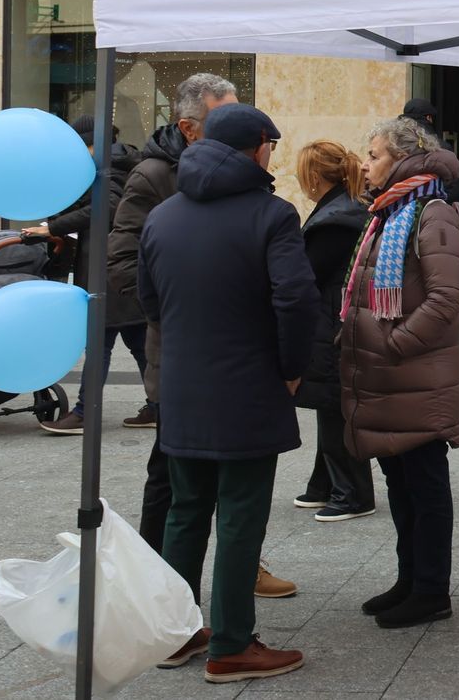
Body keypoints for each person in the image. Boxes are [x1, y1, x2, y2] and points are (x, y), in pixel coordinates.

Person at [139, 104, 319, 682]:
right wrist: (292, 368)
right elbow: (295, 300)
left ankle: (178, 631)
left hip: (183, 386)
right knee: (241, 515)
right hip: (247, 384)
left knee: (185, 511)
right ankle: (233, 643)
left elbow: (150, 301)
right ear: (257, 148)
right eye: (271, 142)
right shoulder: (272, 214)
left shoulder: (163, 216)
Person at [340, 117, 459, 629]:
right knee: (400, 481)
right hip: (391, 378)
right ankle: (410, 578)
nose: (365, 164)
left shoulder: (430, 212)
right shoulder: (391, 210)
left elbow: (444, 299)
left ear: (403, 159)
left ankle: (432, 589)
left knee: (425, 485)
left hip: (414, 375)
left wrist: (396, 343)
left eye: (373, 154)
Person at [34, 117, 150, 433]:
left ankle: (86, 413)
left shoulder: (107, 166)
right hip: (119, 267)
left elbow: (107, 206)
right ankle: (160, 407)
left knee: (100, 344)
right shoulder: (116, 161)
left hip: (109, 269)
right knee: (139, 342)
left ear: (90, 143)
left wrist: (53, 226)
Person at [291, 140, 376, 523]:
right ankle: (323, 484)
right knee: (331, 402)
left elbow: (307, 276)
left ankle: (353, 492)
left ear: (313, 176)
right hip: (336, 319)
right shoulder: (345, 207)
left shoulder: (335, 219)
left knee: (333, 404)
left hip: (332, 322)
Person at [401, 97, 459, 204]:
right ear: (429, 118)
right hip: (432, 208)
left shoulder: (395, 145)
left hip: (401, 211)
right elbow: (454, 189)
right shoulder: (441, 147)